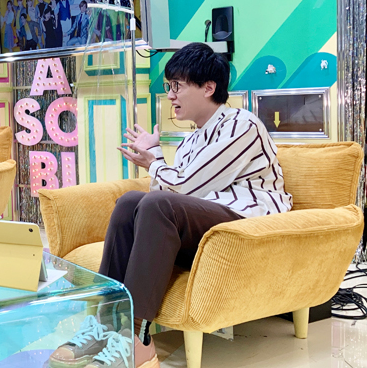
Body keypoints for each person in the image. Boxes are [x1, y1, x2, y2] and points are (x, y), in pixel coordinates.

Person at [48, 43, 292, 368]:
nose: (171, 95)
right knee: (130, 201)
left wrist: (154, 161)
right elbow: (170, 192)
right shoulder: (192, 140)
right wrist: (156, 158)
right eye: (169, 86)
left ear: (209, 87)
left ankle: (137, 340)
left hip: (246, 226)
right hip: (205, 229)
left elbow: (185, 187)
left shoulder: (241, 126)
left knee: (158, 204)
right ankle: (104, 325)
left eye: (177, 86)